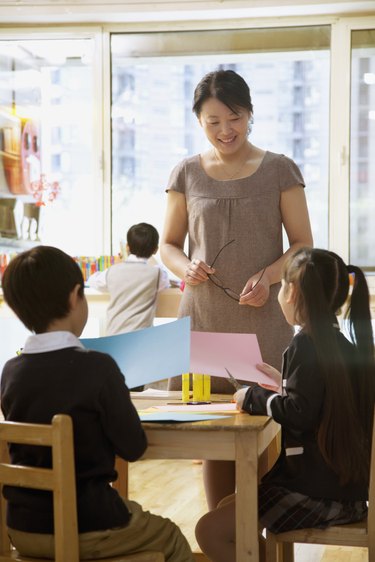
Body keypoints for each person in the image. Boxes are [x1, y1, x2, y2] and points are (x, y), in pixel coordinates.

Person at [160, 68, 313, 509]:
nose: (225, 130)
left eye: (235, 118)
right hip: (203, 316)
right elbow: (168, 246)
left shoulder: (280, 169)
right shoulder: (186, 172)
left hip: (264, 316)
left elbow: (303, 245)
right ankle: (223, 536)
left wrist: (267, 278)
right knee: (213, 430)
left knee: (265, 422)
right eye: (213, 122)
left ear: (249, 114)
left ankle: (261, 535)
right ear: (199, 122)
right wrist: (186, 266)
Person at [0, 245, 194, 562]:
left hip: (23, 530)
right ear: (76, 296)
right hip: (89, 525)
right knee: (170, 537)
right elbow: (133, 448)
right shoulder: (98, 368)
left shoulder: (11, 371)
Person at [195, 247, 375, 562]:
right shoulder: (343, 346)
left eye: (281, 288)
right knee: (228, 507)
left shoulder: (305, 343)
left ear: (291, 293)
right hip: (347, 493)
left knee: (209, 530)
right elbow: (324, 398)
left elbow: (300, 413)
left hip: (315, 493)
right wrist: (282, 383)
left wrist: (251, 397)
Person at [88, 222, 169, 336]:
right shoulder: (157, 273)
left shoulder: (113, 271)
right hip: (141, 338)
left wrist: (117, 265)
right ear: (155, 250)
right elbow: (165, 283)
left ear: (127, 247)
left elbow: (92, 281)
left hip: (114, 336)